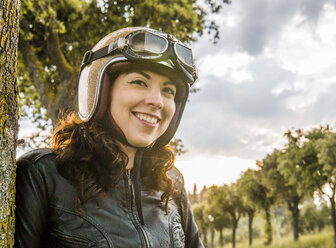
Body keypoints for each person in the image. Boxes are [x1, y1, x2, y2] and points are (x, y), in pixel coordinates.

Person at [15, 27, 203, 248]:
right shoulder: (42, 176)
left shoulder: (171, 183)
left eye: (168, 90)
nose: (158, 101)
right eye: (139, 82)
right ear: (101, 92)